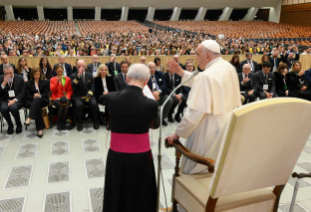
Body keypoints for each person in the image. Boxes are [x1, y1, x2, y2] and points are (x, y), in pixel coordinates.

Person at [166, 40, 241, 175]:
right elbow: (207, 82)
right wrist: (182, 72)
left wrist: (177, 133)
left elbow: (194, 114)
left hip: (207, 129)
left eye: (197, 54)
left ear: (207, 56)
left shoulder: (207, 75)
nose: (195, 58)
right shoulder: (227, 67)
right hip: (225, 125)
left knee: (198, 168)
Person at [102, 64, 159, 212]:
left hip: (116, 156)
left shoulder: (111, 98)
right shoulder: (151, 104)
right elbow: (155, 126)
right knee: (141, 191)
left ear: (127, 78)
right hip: (141, 157)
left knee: (116, 190)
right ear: (146, 81)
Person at [70, 60, 99, 131]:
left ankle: (95, 121)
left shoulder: (89, 75)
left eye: (83, 66)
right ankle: (80, 123)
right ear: (76, 67)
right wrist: (78, 75)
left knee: (94, 104)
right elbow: (73, 85)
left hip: (88, 95)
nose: (82, 68)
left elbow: (92, 86)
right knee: (79, 105)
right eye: (80, 67)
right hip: (78, 96)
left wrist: (90, 93)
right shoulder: (73, 75)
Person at [24, 68, 50, 138]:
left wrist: (39, 95)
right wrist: (34, 96)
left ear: (40, 74)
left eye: (38, 74)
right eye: (35, 74)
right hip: (32, 101)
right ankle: (39, 129)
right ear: (32, 75)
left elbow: (46, 93)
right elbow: (27, 94)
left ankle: (29, 117)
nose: (36, 76)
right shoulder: (28, 83)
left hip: (43, 100)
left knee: (38, 100)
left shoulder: (44, 82)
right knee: (37, 106)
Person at [0, 65, 25, 134]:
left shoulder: (19, 78)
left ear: (13, 70)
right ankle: (10, 125)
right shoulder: (1, 78)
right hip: (5, 99)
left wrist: (14, 100)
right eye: (6, 73)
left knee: (13, 108)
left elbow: (23, 91)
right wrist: (3, 84)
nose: (8, 75)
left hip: (17, 99)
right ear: (4, 72)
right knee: (3, 109)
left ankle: (18, 124)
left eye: (10, 73)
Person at [147, 62, 173, 126]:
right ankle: (152, 119)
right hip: (150, 95)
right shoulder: (145, 75)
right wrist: (153, 94)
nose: (152, 69)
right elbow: (145, 86)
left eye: (154, 67)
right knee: (152, 102)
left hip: (160, 94)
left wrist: (158, 92)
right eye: (150, 67)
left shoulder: (160, 74)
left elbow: (164, 84)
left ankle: (161, 118)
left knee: (169, 100)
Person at [50, 65, 73, 130]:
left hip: (65, 97)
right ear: (55, 71)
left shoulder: (67, 79)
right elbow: (52, 90)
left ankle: (63, 122)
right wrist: (57, 82)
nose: (60, 73)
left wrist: (67, 97)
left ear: (63, 70)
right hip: (56, 98)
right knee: (60, 106)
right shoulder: (52, 79)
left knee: (66, 105)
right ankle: (59, 123)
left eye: (61, 71)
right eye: (58, 72)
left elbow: (69, 90)